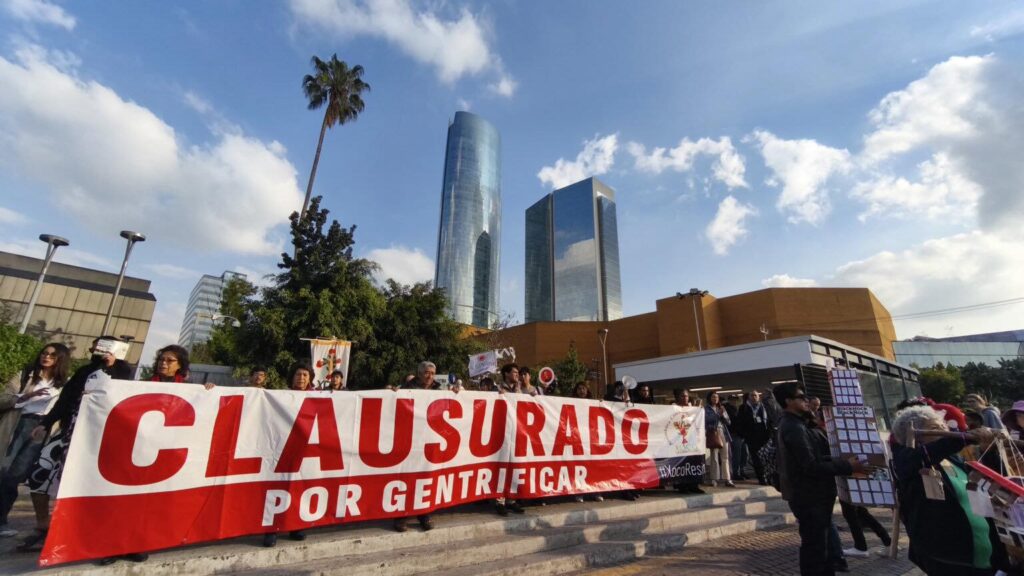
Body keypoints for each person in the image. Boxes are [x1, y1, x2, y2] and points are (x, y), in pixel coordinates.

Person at [19, 338, 133, 557]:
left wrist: (111, 367)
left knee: (80, 483)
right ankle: (43, 526)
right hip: (68, 430)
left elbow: (122, 395)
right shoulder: (83, 372)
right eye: (96, 347)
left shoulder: (123, 371)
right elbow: (64, 400)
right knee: (38, 474)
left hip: (94, 436)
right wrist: (46, 423)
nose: (97, 350)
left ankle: (76, 529)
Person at [891, 405, 1008, 575]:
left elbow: (993, 481)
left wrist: (988, 450)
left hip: (986, 556)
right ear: (917, 435)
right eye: (934, 427)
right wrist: (965, 437)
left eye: (943, 425)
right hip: (948, 560)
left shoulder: (953, 460)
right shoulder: (908, 461)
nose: (943, 429)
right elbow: (917, 458)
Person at [774, 381, 866, 576]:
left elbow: (815, 457)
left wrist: (840, 462)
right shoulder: (793, 427)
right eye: (801, 397)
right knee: (815, 548)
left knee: (821, 547)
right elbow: (810, 465)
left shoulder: (800, 424)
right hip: (809, 496)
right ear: (788, 401)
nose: (806, 401)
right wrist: (847, 466)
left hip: (813, 495)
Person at [0, 343, 70, 538]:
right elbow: (3, 398)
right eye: (45, 353)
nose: (46, 357)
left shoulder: (64, 384)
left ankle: (1, 520)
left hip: (42, 428)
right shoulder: (25, 375)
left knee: (15, 476)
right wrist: (25, 396)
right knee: (3, 470)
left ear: (60, 360)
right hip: (18, 423)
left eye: (53, 355)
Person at [263, 364, 315, 547]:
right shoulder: (281, 396)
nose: (301, 378)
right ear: (292, 377)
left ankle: (296, 526)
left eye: (305, 375)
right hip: (280, 448)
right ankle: (271, 529)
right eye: (298, 374)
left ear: (310, 379)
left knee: (299, 489)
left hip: (305, 451)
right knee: (276, 488)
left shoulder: (318, 397)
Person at [393, 361, 446, 531]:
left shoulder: (439, 390)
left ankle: (424, 514)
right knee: (408, 478)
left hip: (429, 440)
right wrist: (391, 393)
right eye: (427, 372)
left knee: (427, 477)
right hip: (410, 440)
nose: (430, 376)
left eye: (432, 373)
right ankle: (402, 516)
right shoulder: (407, 388)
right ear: (419, 373)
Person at [736, 390, 771, 485]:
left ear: (759, 397)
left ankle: (768, 476)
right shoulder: (744, 408)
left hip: (764, 436)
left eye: (756, 395)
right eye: (752, 395)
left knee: (765, 457)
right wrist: (744, 435)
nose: (754, 397)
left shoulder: (763, 407)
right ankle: (761, 478)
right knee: (756, 458)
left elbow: (769, 420)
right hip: (751, 437)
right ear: (749, 397)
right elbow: (740, 422)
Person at [704, 391, 734, 488]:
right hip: (713, 433)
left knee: (725, 457)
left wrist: (723, 415)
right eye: (713, 397)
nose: (715, 399)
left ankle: (727, 479)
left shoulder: (721, 408)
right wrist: (717, 415)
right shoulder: (706, 409)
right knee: (714, 457)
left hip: (723, 432)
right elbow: (707, 420)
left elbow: (729, 422)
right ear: (709, 398)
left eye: (717, 397)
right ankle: (714, 479)